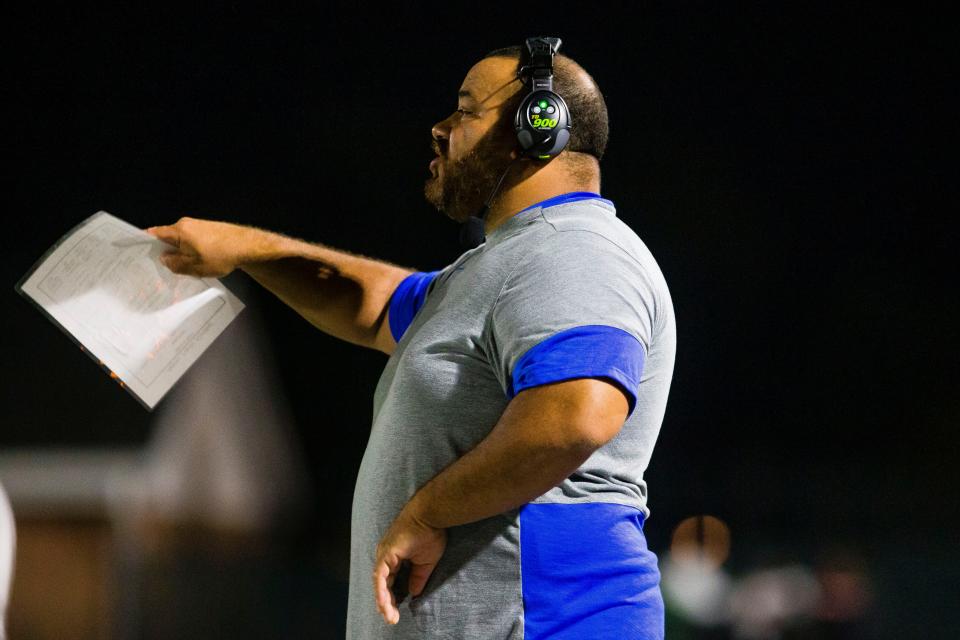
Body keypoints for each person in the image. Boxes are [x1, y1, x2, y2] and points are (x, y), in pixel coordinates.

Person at [147, 41, 675, 639]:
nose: (440, 128)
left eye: (466, 110)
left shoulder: (574, 248)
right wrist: (242, 249)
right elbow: (369, 304)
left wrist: (427, 512)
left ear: (538, 128)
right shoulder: (496, 270)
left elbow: (576, 416)